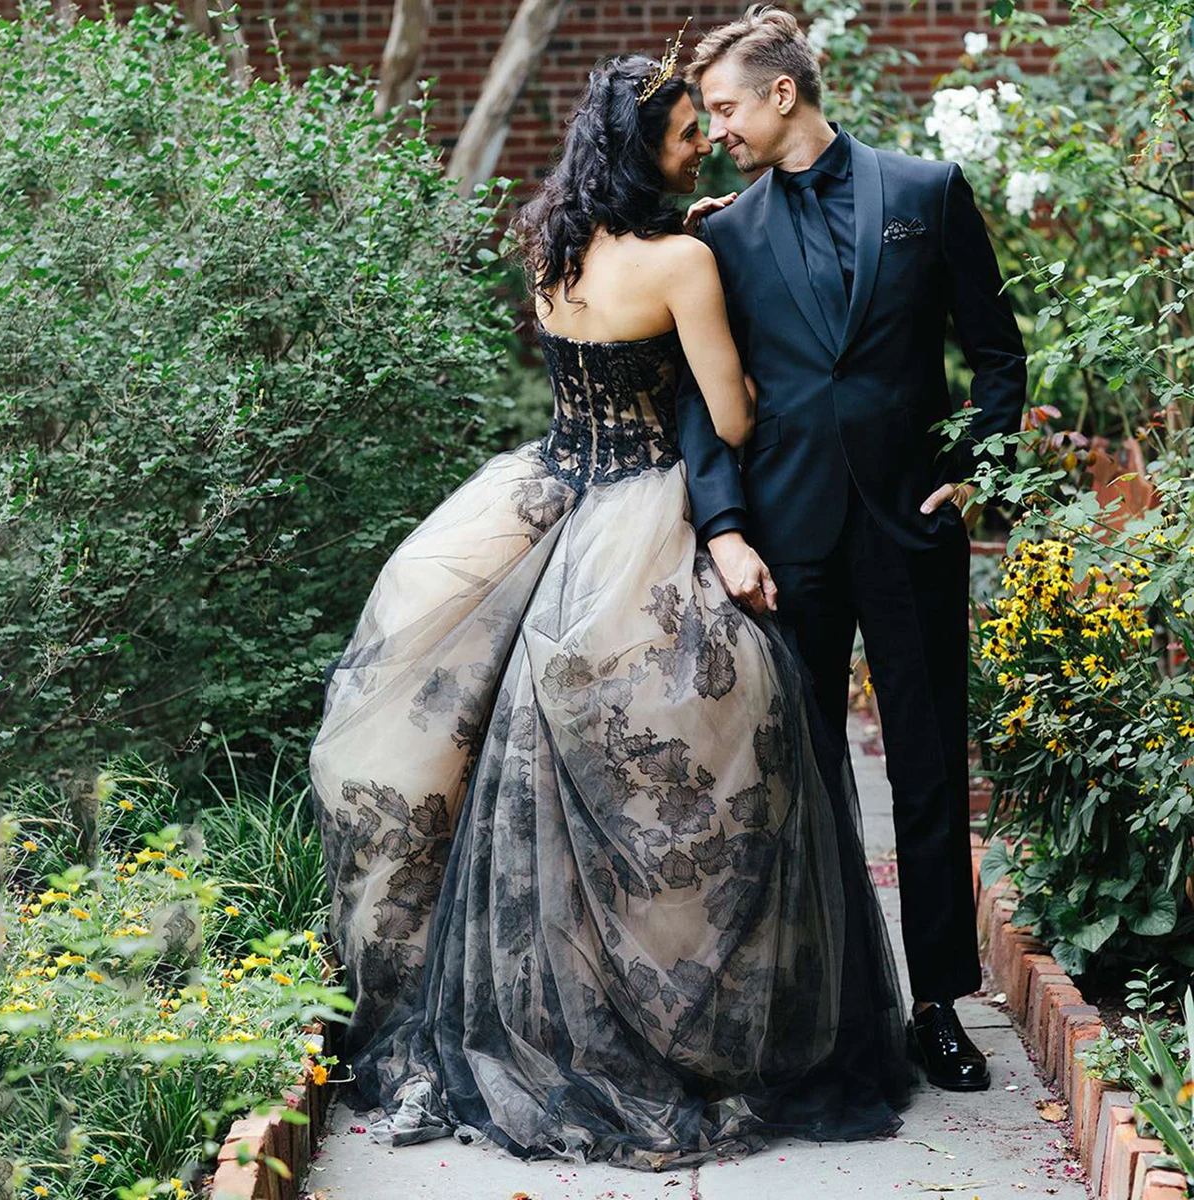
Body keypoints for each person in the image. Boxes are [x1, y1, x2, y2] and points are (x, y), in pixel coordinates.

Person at [308, 43, 914, 1171]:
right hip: (641, 513)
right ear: (648, 149)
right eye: (687, 134)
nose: (699, 147)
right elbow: (727, 419)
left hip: (543, 497)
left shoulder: (552, 248)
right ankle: (670, 1015)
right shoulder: (683, 261)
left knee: (503, 755)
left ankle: (531, 1010)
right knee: (708, 751)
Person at [677, 4, 1028, 1092]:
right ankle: (814, 1010)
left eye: (725, 107)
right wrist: (726, 527)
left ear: (784, 94)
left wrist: (971, 463)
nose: (714, 129)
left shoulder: (926, 193)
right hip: (787, 536)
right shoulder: (722, 235)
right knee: (795, 774)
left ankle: (935, 1007)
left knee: (926, 770)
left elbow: (999, 354)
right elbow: (703, 401)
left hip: (911, 525)